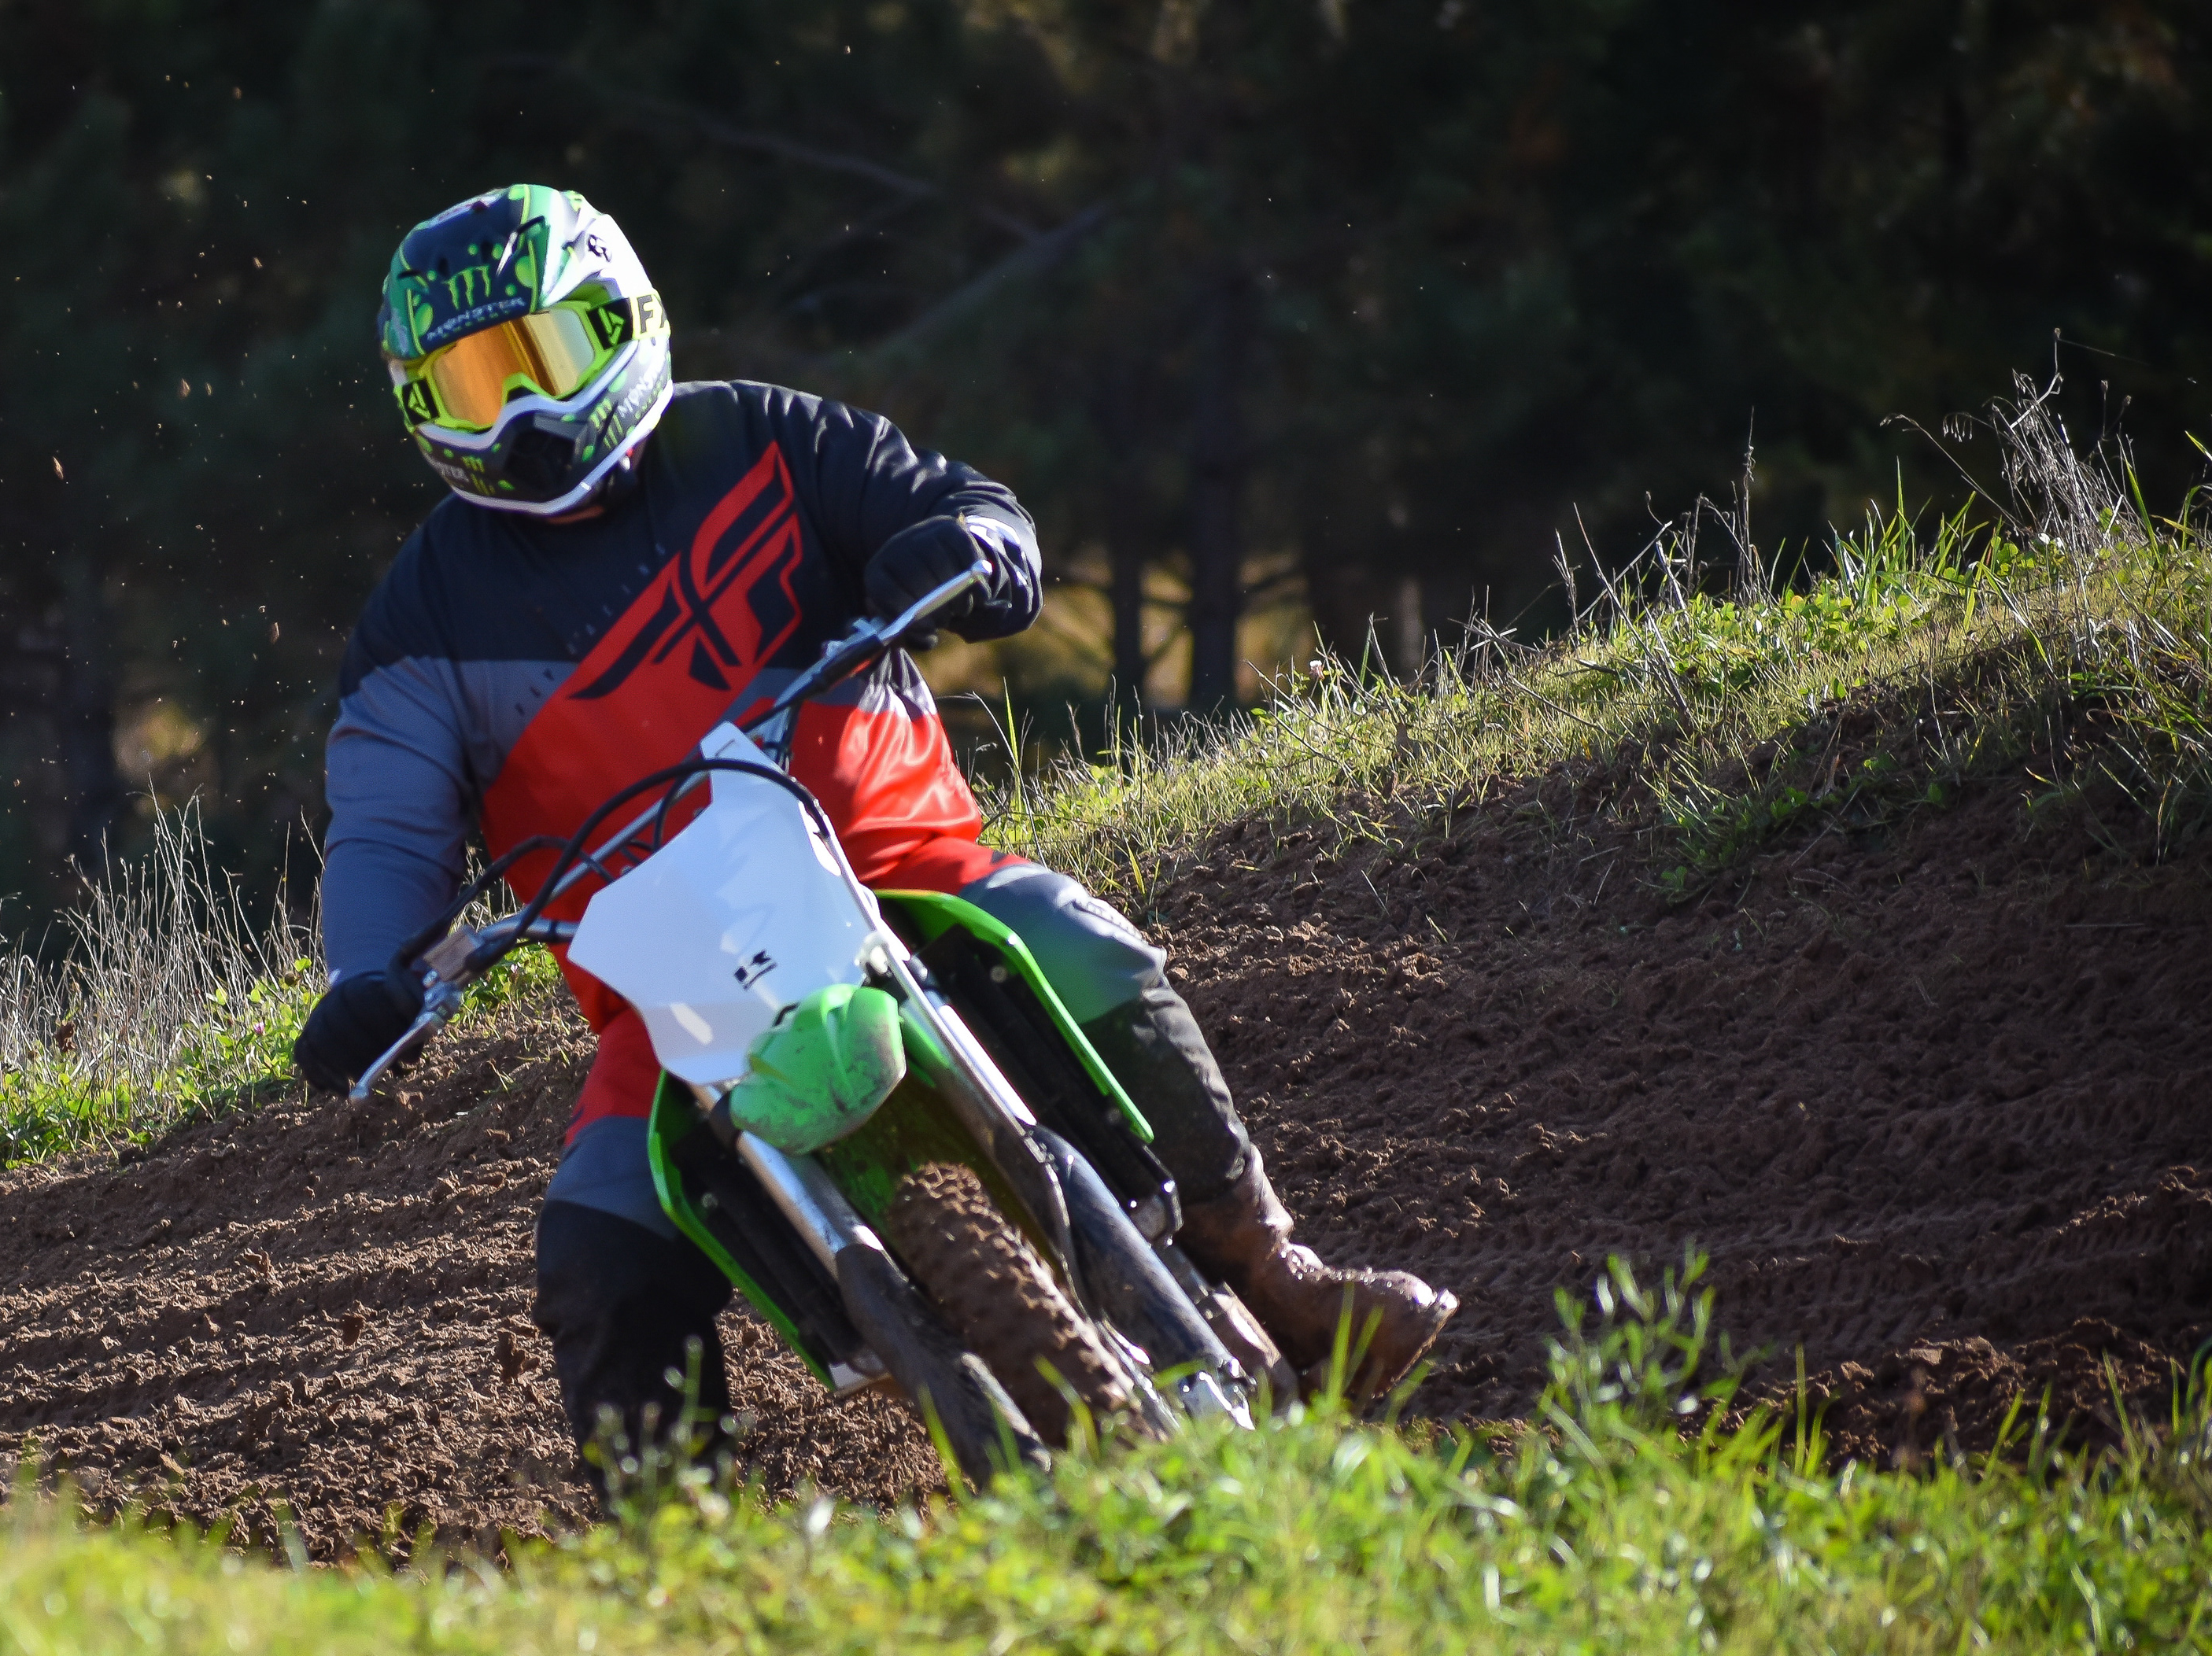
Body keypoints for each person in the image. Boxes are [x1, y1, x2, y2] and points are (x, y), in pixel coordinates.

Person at [295, 184, 1454, 1473]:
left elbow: (960, 505)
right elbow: (384, 829)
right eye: (472, 385)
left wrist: (971, 549)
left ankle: (1277, 1272)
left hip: (902, 876)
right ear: (419, 409)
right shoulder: (419, 622)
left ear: (624, 322)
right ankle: (678, 1549)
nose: (518, 410)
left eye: (548, 355)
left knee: (1086, 950)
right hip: (680, 1007)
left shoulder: (766, 438)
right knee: (596, 1248)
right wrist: (368, 974)